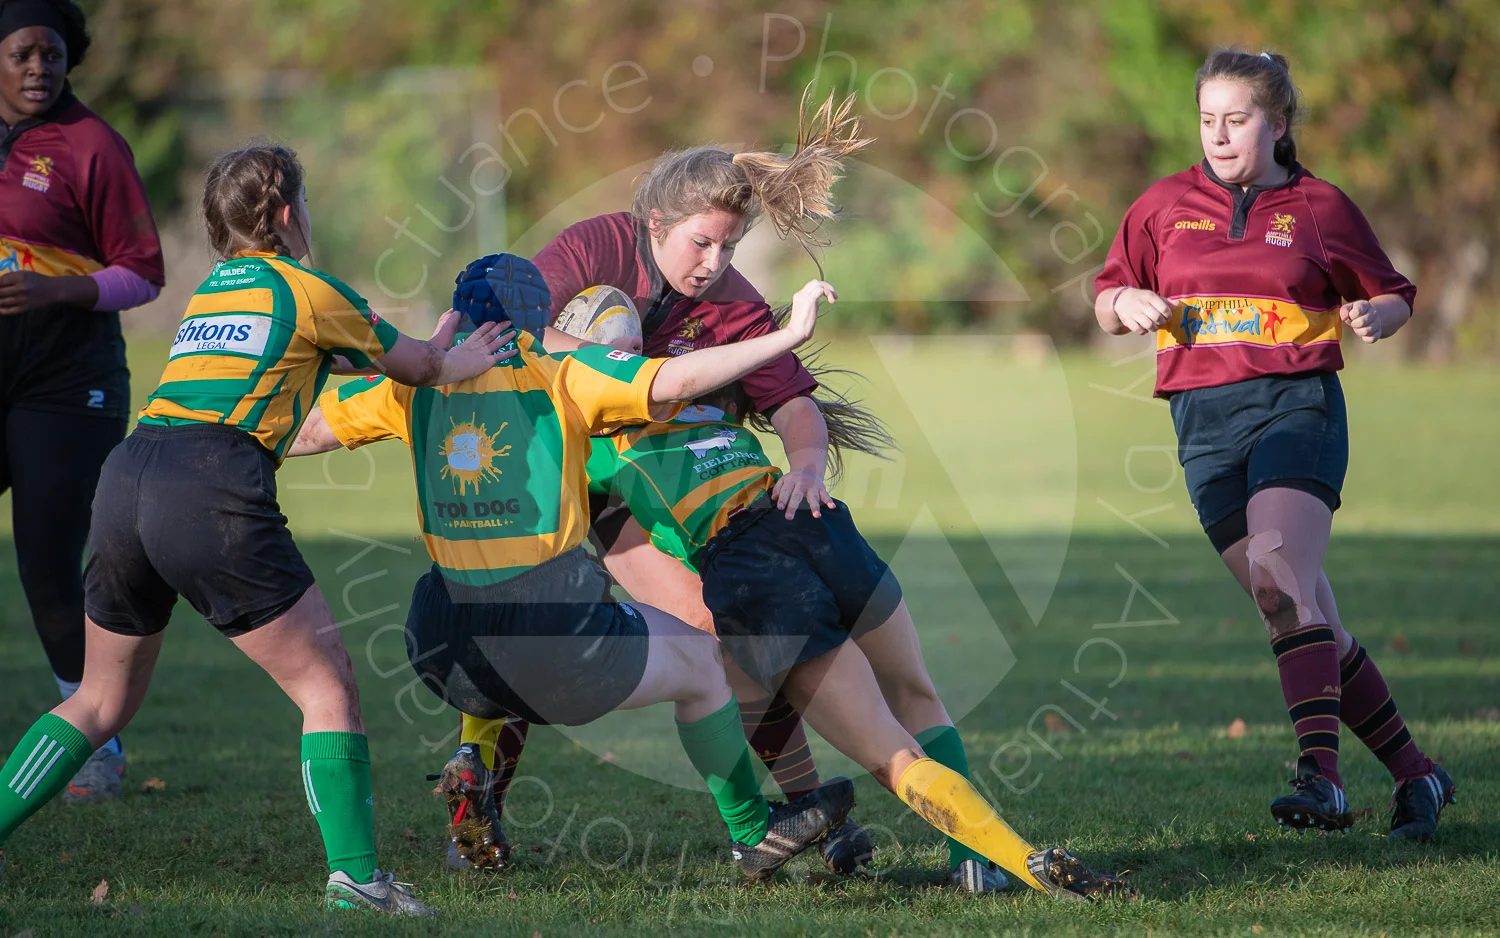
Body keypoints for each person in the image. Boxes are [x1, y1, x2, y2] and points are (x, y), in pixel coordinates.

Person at [0, 143, 514, 914]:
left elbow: (338, 361)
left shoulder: (213, 292)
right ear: (283, 214)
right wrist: (457, 358)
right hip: (209, 487)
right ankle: (357, 881)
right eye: (301, 202)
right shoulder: (310, 287)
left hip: (128, 473)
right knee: (326, 683)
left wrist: (430, 351)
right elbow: (417, 370)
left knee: (99, 700)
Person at [290, 254, 856, 882]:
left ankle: (471, 761)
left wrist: (222, 427)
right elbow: (673, 378)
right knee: (700, 663)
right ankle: (753, 833)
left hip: (437, 639)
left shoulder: (412, 384)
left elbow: (306, 432)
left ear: (458, 312)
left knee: (482, 610)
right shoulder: (564, 372)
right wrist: (787, 336)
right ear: (539, 321)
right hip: (551, 631)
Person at [464, 89, 887, 878]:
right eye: (701, 245)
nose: (714, 265)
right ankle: (480, 790)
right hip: (555, 462)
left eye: (728, 248)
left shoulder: (732, 302)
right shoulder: (596, 247)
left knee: (715, 624)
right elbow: (519, 320)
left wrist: (803, 464)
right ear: (654, 226)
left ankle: (808, 818)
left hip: (642, 488)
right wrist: (623, 373)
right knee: (537, 622)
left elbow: (794, 402)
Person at [560, 379, 1133, 901]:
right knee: (917, 695)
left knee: (892, 753)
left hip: (751, 566)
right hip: (810, 514)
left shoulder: (590, 442)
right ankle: (974, 866)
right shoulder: (702, 391)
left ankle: (1024, 861)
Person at [1094, 49, 1454, 839]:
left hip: (1297, 408)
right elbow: (1106, 293)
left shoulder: (1319, 205)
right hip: (1201, 426)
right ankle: (1418, 776)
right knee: (1296, 608)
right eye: (1207, 120)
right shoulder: (1161, 204)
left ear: (1278, 122)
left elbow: (1392, 292)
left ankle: (1320, 779)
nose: (1219, 135)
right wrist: (1127, 302)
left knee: (1279, 577)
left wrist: (1379, 318)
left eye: (1238, 119)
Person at [0, 0, 165, 802]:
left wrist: (54, 290)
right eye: (24, 53)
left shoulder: (93, 144)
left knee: (46, 558)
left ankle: (95, 739)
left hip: (68, 384)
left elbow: (144, 273)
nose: (40, 69)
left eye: (54, 55)